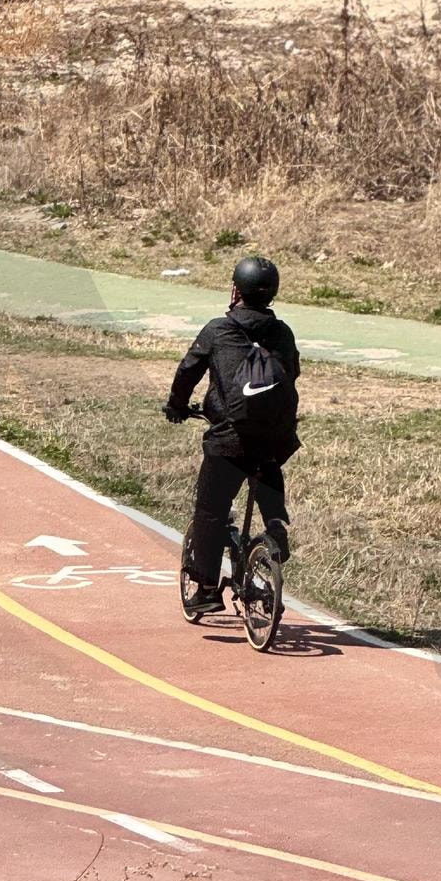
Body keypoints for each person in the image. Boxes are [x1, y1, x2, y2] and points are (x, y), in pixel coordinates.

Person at [164, 255, 300, 616]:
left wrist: (177, 407)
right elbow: (292, 375)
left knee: (210, 511)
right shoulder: (283, 333)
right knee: (266, 460)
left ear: (235, 290)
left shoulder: (217, 330)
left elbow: (187, 372)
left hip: (229, 438)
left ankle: (207, 588)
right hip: (276, 437)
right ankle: (274, 524)